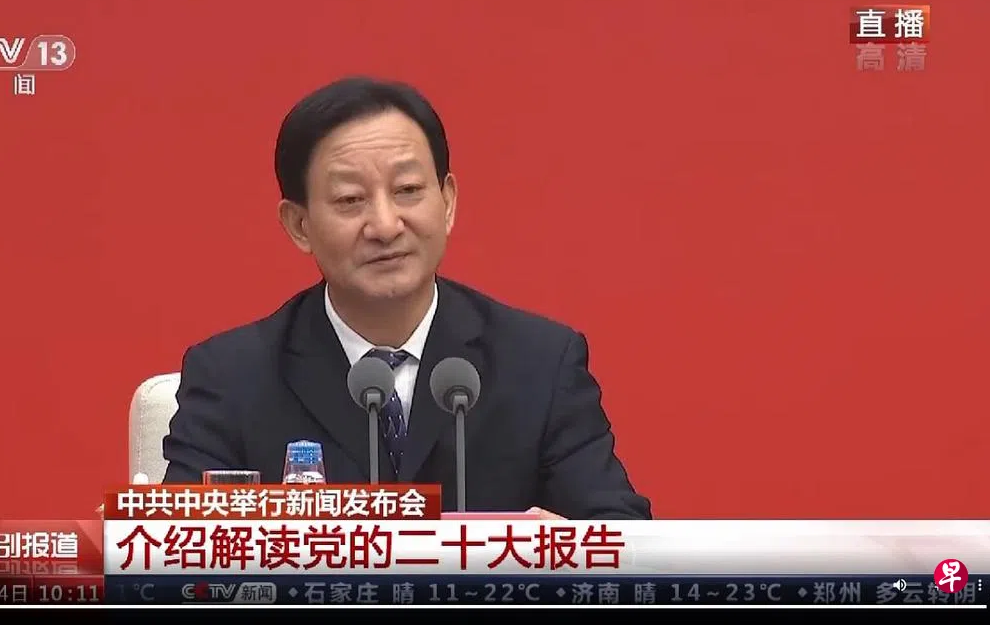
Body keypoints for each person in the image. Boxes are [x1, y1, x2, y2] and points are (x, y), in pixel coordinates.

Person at [162, 76, 652, 520]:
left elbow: (623, 538)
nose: (385, 225)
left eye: (408, 190)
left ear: (448, 202)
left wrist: (565, 549)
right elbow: (177, 554)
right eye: (350, 200)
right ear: (299, 225)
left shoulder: (541, 363)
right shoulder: (231, 377)